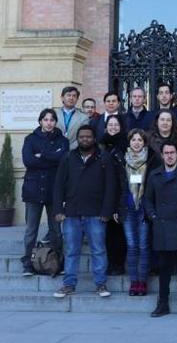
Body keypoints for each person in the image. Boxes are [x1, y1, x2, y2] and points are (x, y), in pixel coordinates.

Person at [52, 125, 117, 299]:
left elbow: (111, 187)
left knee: (98, 250)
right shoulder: (68, 157)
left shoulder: (104, 158)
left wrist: (107, 211)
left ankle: (100, 284)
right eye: (82, 137)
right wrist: (58, 209)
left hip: (96, 213)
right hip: (71, 213)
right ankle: (68, 284)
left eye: (88, 136)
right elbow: (58, 185)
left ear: (94, 139)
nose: (85, 139)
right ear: (77, 138)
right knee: (71, 250)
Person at [144, 142, 177, 317]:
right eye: (166, 153)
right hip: (161, 227)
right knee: (164, 269)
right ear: (162, 155)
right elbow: (147, 200)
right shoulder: (154, 175)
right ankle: (163, 304)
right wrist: (153, 216)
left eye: (172, 152)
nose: (169, 155)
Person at [20, 108, 68, 276]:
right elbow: (29, 161)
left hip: (54, 191)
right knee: (31, 229)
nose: (49, 123)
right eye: (46, 119)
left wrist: (42, 155)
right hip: (33, 190)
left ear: (56, 122)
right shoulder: (30, 139)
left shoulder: (62, 141)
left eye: (52, 120)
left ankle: (57, 262)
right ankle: (27, 263)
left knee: (56, 229)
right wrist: (50, 157)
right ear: (40, 121)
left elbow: (62, 160)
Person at [116, 128, 160, 296]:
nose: (136, 143)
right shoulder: (122, 159)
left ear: (144, 142)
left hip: (144, 208)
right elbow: (118, 186)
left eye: (140, 140)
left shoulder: (152, 159)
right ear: (129, 142)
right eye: (133, 140)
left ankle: (143, 281)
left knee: (143, 246)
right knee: (132, 246)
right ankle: (134, 282)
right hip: (128, 208)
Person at [100, 115, 127, 276]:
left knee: (119, 232)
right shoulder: (101, 144)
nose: (113, 127)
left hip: (119, 193)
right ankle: (110, 263)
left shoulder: (125, 145)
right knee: (108, 233)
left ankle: (119, 264)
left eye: (116, 125)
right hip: (103, 194)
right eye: (110, 124)